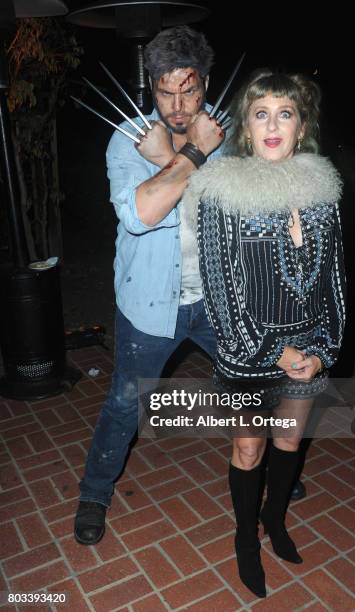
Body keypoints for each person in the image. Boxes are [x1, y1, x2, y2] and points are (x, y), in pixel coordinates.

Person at [182, 68, 346, 598]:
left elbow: (338, 285)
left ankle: (275, 520)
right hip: (248, 351)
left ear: (301, 127)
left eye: (285, 113)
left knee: (290, 440)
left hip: (308, 354)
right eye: (261, 114)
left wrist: (323, 349)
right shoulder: (221, 192)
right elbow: (223, 293)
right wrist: (278, 351)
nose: (273, 125)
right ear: (246, 130)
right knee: (249, 449)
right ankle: (244, 537)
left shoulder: (324, 192)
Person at [74, 25, 225, 545]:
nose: (178, 104)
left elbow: (225, 211)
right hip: (150, 303)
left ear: (206, 82)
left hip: (214, 298)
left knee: (248, 383)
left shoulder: (223, 136)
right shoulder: (128, 138)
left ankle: (261, 465)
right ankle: (94, 491)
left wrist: (173, 163)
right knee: (124, 403)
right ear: (151, 86)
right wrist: (183, 157)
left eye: (189, 88)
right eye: (166, 90)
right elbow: (141, 213)